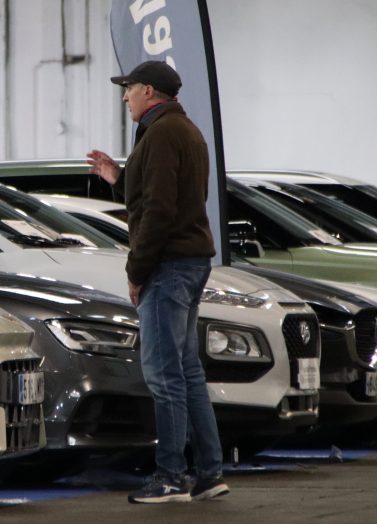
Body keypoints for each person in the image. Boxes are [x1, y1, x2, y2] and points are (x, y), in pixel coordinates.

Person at [87, 61, 228, 504]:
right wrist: (118, 178)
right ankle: (209, 473)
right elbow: (163, 194)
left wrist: (137, 270)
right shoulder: (183, 130)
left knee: (164, 375)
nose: (124, 96)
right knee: (187, 372)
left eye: (129, 88)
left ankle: (170, 476)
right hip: (189, 261)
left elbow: (160, 211)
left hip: (169, 265)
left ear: (148, 90)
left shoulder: (162, 133)